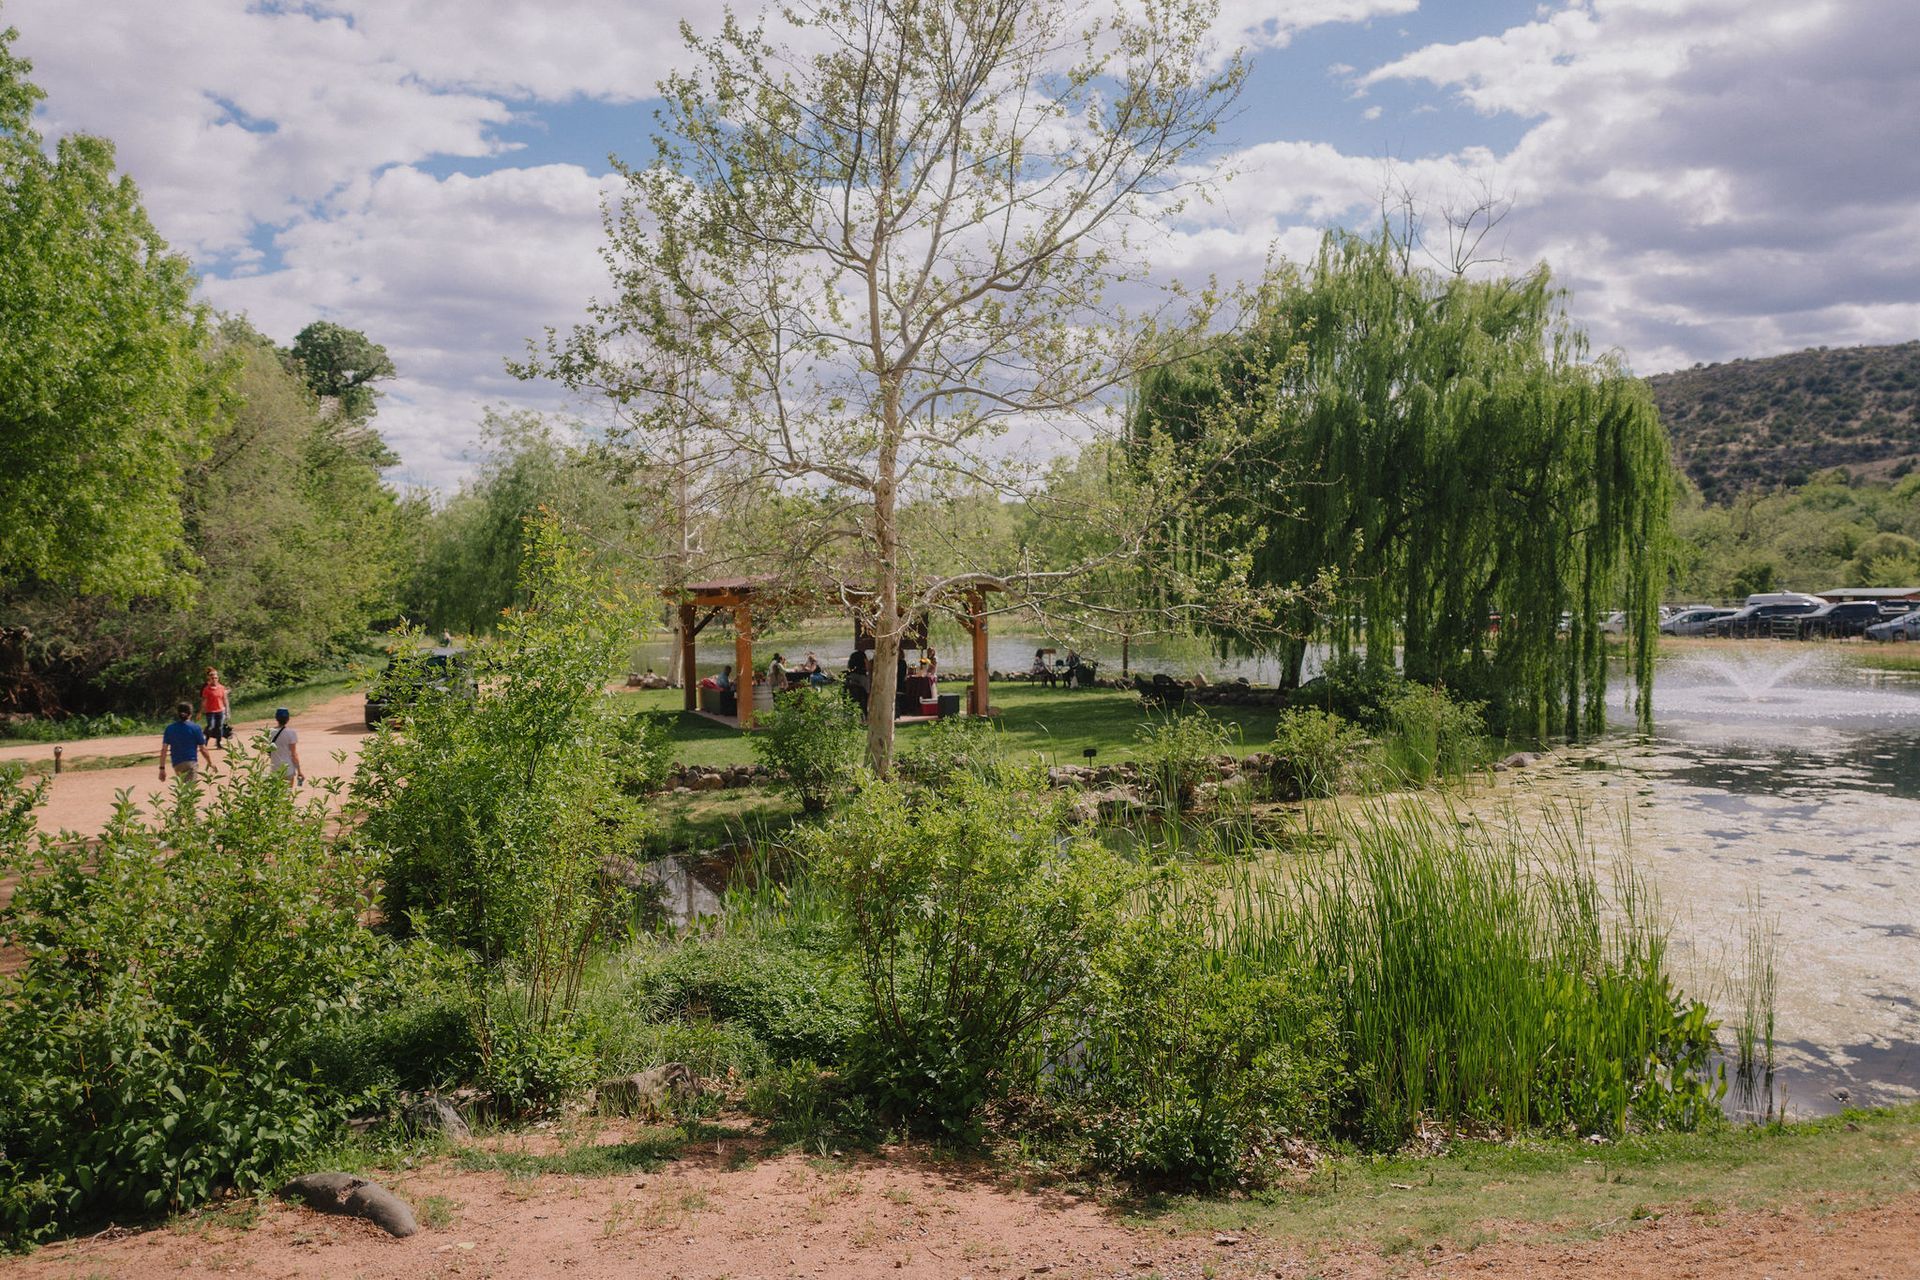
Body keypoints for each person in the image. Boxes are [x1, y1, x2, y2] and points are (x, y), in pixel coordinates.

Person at [159, 702, 209, 784]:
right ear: (191, 713)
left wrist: (162, 768)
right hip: (190, 762)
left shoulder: (170, 728)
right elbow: (203, 749)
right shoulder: (195, 728)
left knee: (182, 788)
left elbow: (164, 750)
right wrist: (210, 763)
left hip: (177, 764)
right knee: (190, 791)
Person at [267, 707, 304, 786]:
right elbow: (293, 754)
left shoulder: (270, 732)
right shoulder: (291, 733)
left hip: (275, 768)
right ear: (288, 719)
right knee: (287, 794)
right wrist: (299, 771)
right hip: (288, 768)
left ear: (276, 718)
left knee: (276, 794)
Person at [200, 667, 230, 751]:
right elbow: (204, 701)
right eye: (212, 678)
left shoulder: (221, 688)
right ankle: (205, 741)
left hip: (220, 710)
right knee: (211, 726)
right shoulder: (206, 689)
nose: (214, 679)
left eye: (216, 678)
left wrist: (227, 711)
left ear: (218, 678)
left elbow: (225, 699)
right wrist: (200, 712)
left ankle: (218, 743)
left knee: (219, 727)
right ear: (210, 679)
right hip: (210, 711)